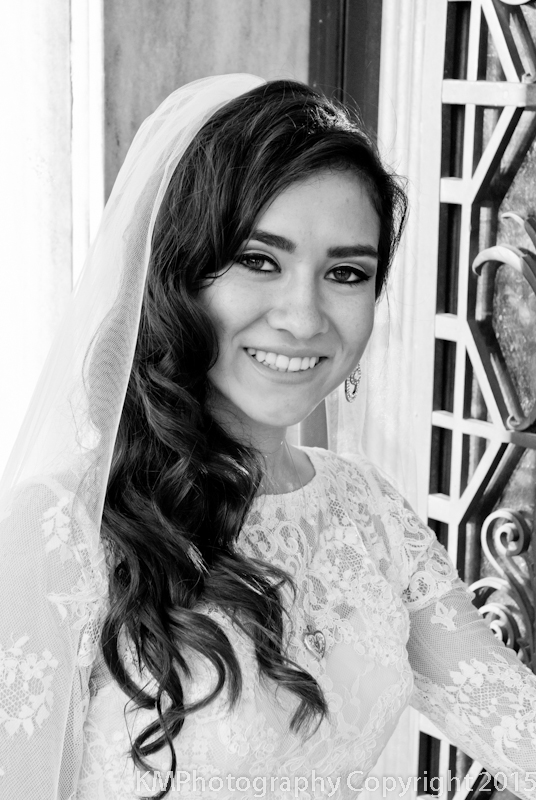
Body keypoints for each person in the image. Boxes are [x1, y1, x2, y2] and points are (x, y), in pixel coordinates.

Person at [1, 73, 535, 800]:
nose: (304, 317)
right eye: (259, 261)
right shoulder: (61, 529)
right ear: (179, 275)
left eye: (346, 272)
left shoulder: (366, 510)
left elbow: (518, 724)